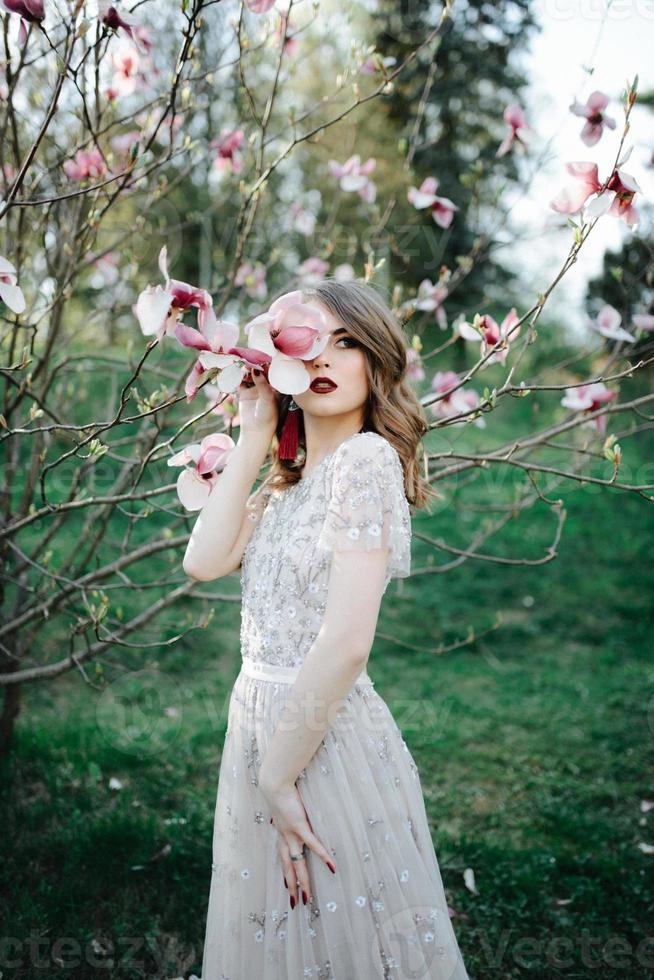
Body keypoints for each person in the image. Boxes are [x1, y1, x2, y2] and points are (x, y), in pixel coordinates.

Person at [183, 279, 472, 979]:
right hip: (259, 726)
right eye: (314, 339)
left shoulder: (364, 463)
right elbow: (203, 560)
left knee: (343, 932)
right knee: (285, 932)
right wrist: (255, 431)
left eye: (347, 343)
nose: (325, 358)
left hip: (319, 737)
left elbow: (346, 642)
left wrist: (279, 776)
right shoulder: (293, 481)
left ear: (376, 363)